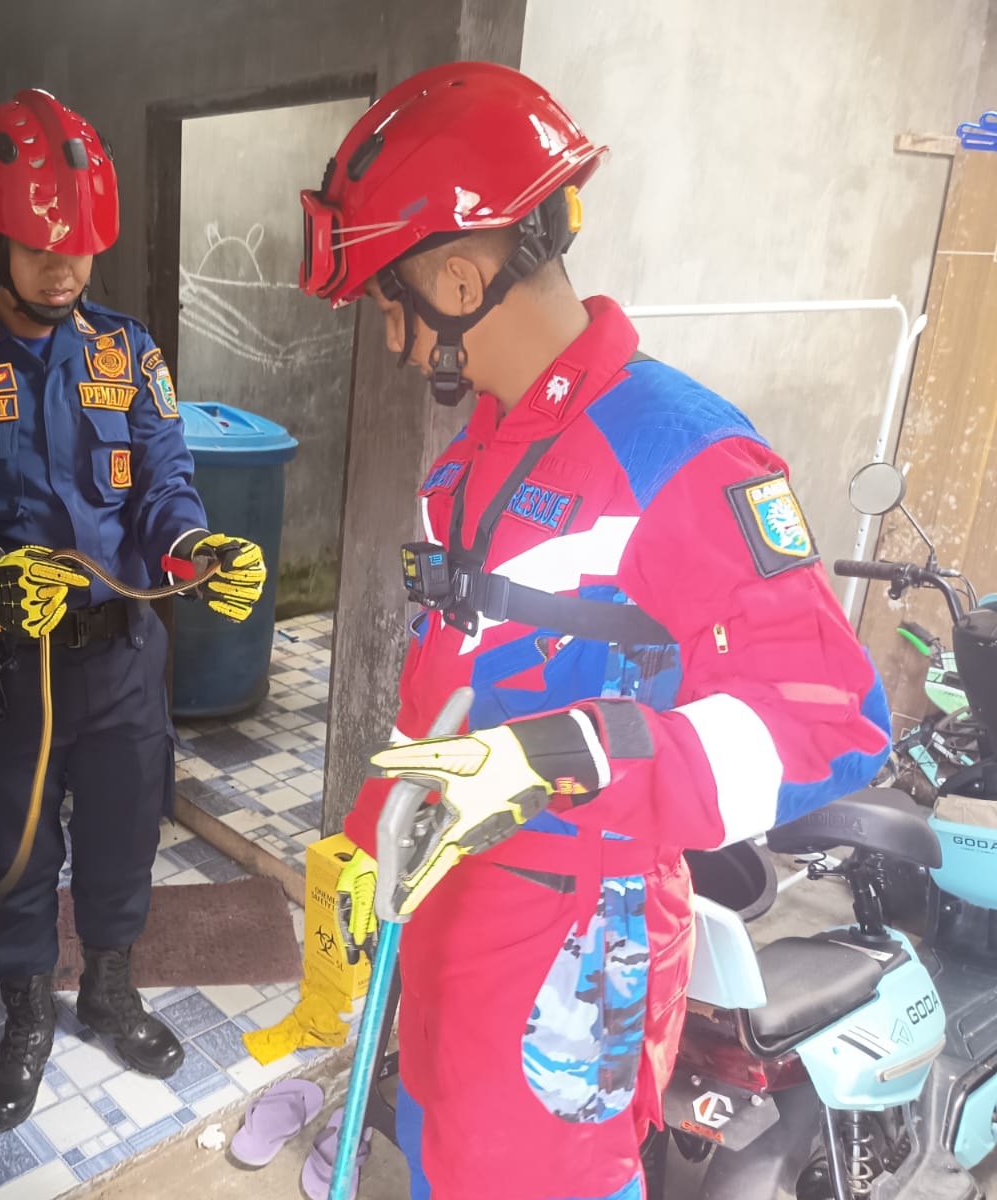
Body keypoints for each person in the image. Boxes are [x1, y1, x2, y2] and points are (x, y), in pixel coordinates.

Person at [298, 63, 890, 1199]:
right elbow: (449, 690)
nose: (391, 336)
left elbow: (831, 719)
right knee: (439, 1159)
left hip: (571, 961)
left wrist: (571, 752)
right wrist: (369, 850)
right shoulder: (479, 458)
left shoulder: (684, 456)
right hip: (448, 924)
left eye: (386, 301)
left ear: (459, 279)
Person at [0, 88, 266, 1134]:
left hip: (122, 657)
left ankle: (110, 992)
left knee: (127, 834)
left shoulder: (128, 354)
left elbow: (164, 484)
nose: (65, 270)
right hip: (6, 667)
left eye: (81, 247)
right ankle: (28, 1013)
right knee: (14, 850)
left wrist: (195, 548)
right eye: (41, 248)